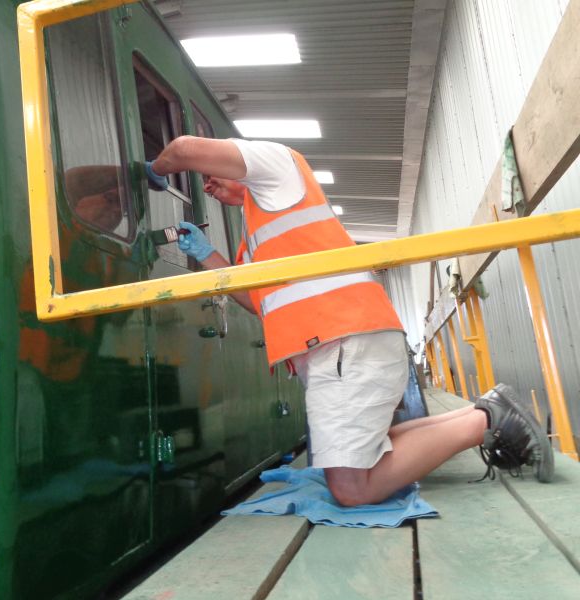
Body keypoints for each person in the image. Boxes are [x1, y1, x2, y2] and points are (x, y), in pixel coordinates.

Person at [144, 135, 553, 506]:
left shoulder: (277, 164)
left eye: (214, 177)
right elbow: (256, 302)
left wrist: (153, 172)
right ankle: (486, 412)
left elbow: (182, 150)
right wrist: (206, 254)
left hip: (345, 342)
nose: (212, 186)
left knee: (352, 489)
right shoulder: (259, 228)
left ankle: (487, 421)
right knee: (366, 450)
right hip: (341, 345)